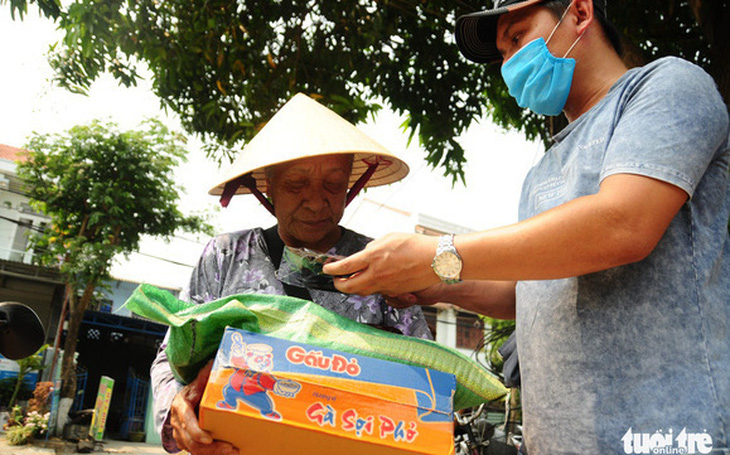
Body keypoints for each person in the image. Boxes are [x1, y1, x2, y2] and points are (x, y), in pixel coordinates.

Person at [324, 0, 730, 453]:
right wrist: (436, 286)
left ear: (579, 13)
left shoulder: (667, 84)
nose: (511, 63)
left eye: (517, 38)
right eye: (502, 54)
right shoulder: (543, 172)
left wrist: (438, 253)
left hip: (670, 431)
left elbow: (623, 223)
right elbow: (528, 289)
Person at [150, 93, 433, 455]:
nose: (316, 202)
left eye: (333, 185)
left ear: (350, 185)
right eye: (296, 185)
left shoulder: (384, 263)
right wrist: (176, 406)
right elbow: (168, 356)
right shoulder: (225, 256)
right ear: (268, 186)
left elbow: (422, 371)